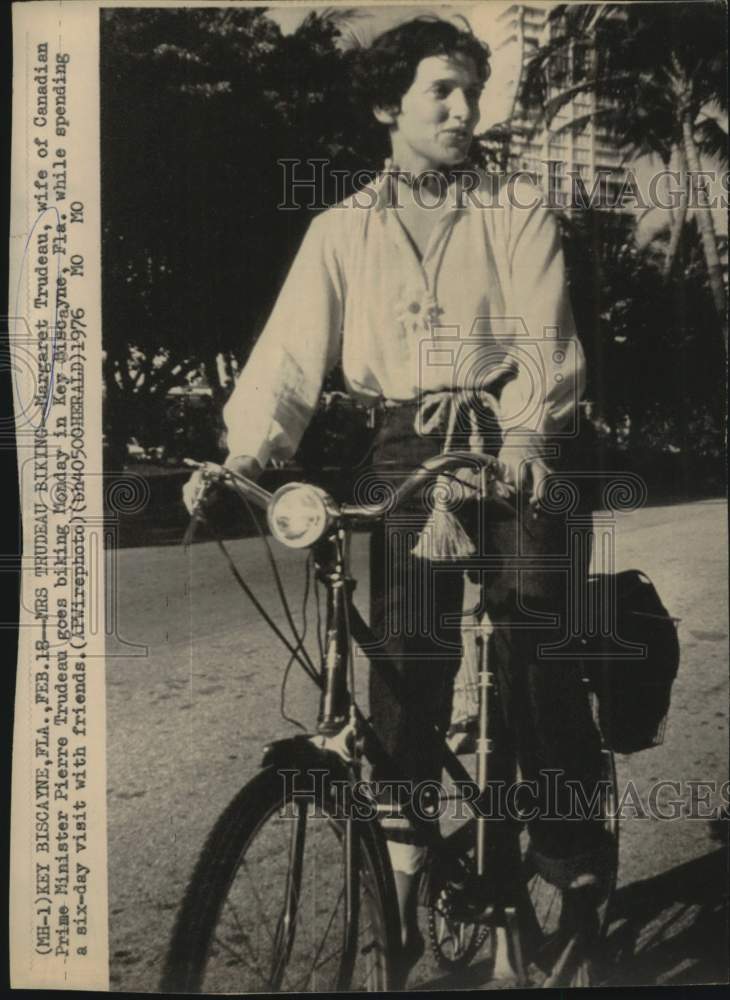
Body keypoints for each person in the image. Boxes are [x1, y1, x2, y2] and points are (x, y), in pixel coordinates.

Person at [184, 15, 605, 976]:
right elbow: (290, 359)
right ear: (389, 107)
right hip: (402, 446)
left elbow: (547, 336)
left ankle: (570, 853)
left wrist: (533, 431)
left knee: (539, 644)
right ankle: (404, 894)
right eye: (439, 93)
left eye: (470, 91)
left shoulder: (516, 207)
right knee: (402, 677)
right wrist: (242, 461)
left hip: (516, 435)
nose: (463, 110)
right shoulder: (341, 228)